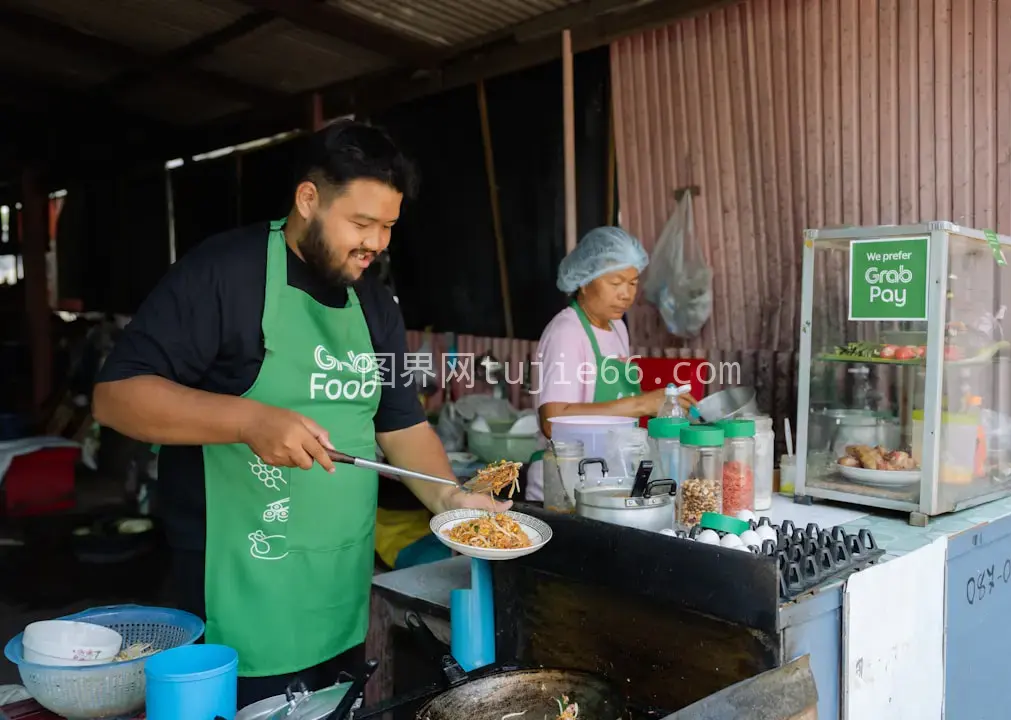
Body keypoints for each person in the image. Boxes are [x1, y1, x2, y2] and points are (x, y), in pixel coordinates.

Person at [92, 121, 507, 707]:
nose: (377, 243)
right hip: (235, 587)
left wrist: (448, 497)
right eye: (361, 224)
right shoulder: (226, 273)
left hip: (336, 585)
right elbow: (116, 396)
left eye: (388, 227)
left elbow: (399, 421)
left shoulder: (375, 303)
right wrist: (249, 421)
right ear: (308, 200)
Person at [524, 227, 694, 500]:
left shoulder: (617, 329)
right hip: (562, 490)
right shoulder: (567, 333)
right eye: (615, 283)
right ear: (584, 280)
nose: (626, 294)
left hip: (604, 482)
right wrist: (640, 404)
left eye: (633, 283)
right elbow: (552, 422)